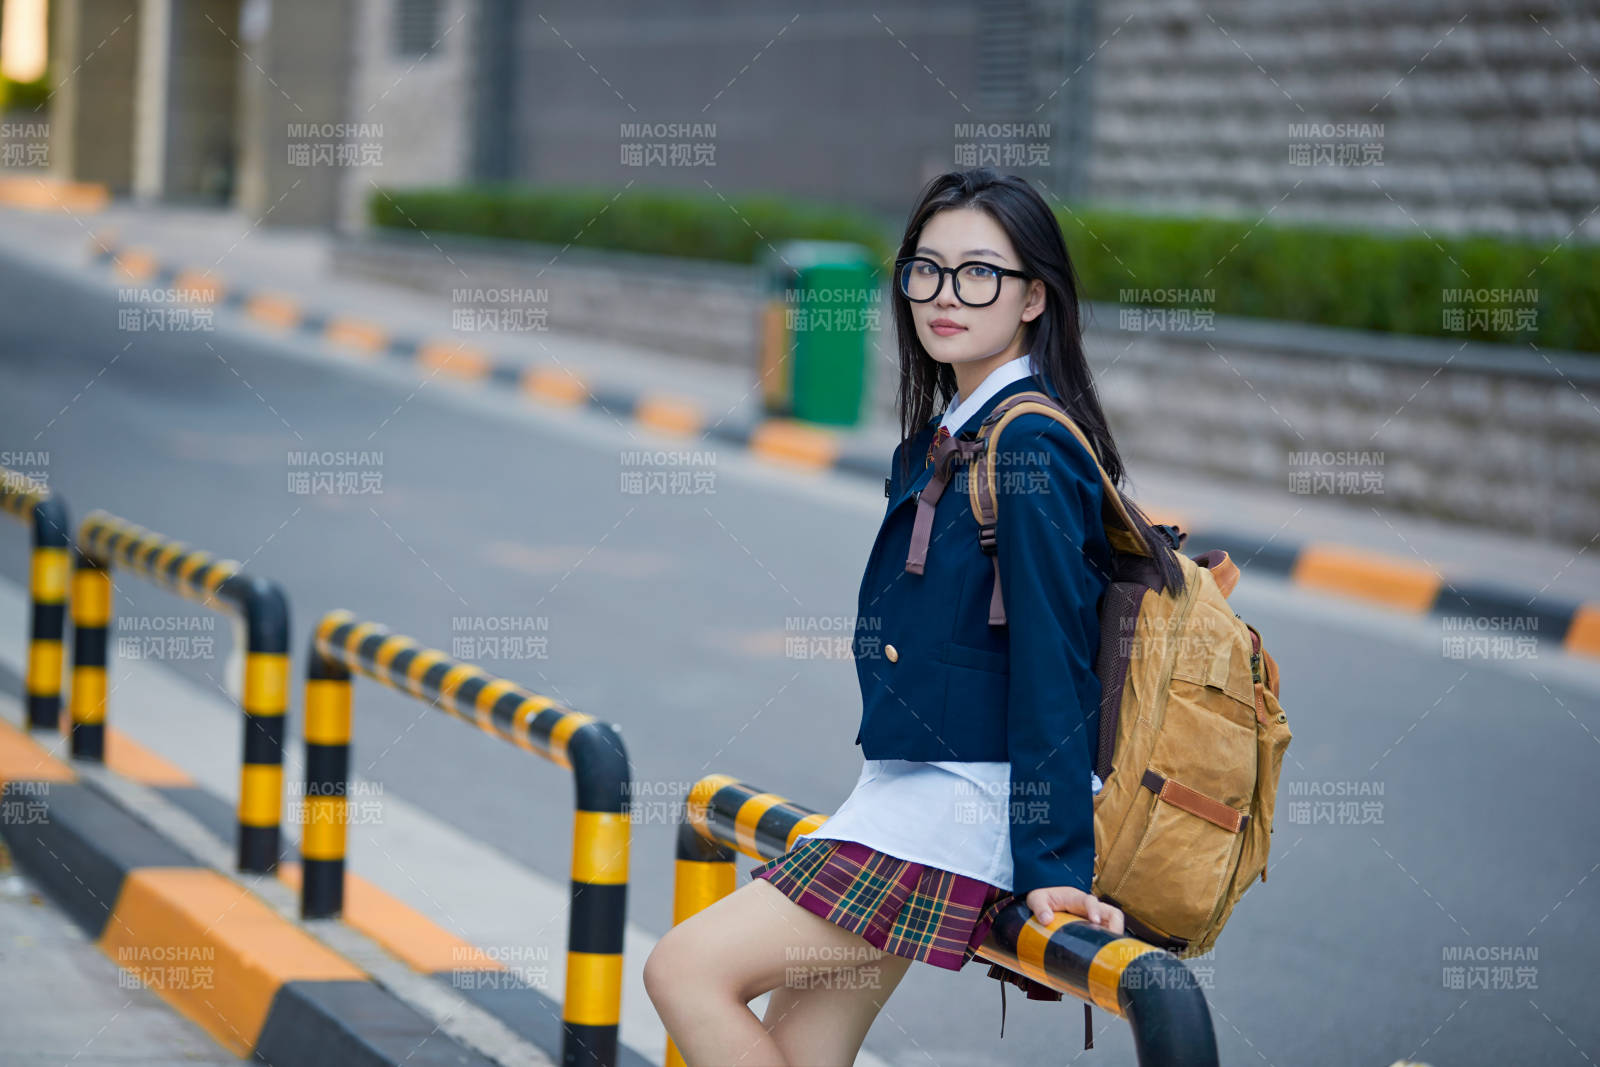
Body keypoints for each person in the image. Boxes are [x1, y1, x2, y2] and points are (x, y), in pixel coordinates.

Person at [644, 167, 1187, 1065]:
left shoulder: (1031, 443)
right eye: (926, 270)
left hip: (957, 808)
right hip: (908, 793)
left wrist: (1054, 867)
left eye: (979, 273)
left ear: (1034, 298)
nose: (945, 294)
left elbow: (1055, 662)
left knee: (684, 969)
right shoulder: (961, 432)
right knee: (803, 1050)